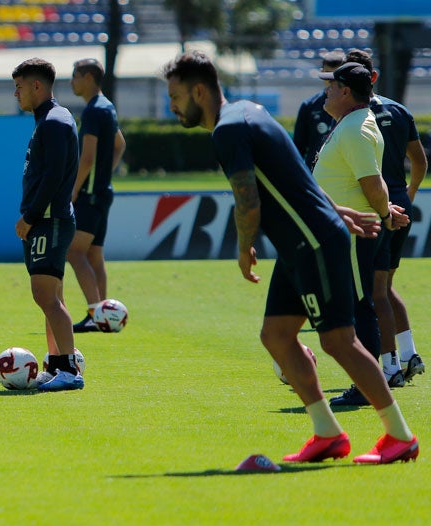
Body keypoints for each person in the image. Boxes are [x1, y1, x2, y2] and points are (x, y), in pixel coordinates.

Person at [164, 50, 418, 464]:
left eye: (175, 96)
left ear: (198, 91)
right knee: (276, 336)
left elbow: (248, 202)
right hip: (302, 241)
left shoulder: (227, 131)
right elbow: (298, 177)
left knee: (339, 340)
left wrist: (243, 246)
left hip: (311, 243)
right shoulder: (251, 111)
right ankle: (327, 433)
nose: (172, 106)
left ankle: (400, 436)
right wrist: (340, 213)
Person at [312, 62, 402, 405]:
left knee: (360, 306)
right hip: (351, 227)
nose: (326, 90)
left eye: (331, 85)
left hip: (354, 231)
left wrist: (384, 213)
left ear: (346, 91)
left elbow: (371, 182)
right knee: (356, 304)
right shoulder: (352, 124)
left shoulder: (354, 128)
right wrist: (387, 211)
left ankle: (368, 386)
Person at [345, 49, 427, 388]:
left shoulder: (355, 117)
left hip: (374, 208)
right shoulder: (399, 109)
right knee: (386, 287)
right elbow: (420, 162)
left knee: (373, 292)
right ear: (373, 76)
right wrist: (408, 195)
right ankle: (408, 355)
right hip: (399, 203)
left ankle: (390, 367)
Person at [12, 58, 83, 392]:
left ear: (36, 86)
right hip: (49, 219)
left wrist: (30, 217)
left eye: (19, 87)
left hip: (49, 220)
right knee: (51, 296)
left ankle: (69, 369)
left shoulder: (53, 121)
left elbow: (54, 176)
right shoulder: (51, 119)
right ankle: (56, 364)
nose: (16, 94)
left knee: (46, 296)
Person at [67, 58, 126, 333]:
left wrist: (75, 189)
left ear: (88, 77)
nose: (72, 81)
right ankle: (105, 316)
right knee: (94, 256)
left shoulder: (93, 111)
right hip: (103, 192)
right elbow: (119, 145)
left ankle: (94, 312)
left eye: (75, 76)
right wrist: (105, 175)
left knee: (74, 252)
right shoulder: (107, 107)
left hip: (90, 196)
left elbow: (88, 157)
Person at [293, 51, 345, 170]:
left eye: (336, 74)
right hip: (315, 175)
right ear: (322, 73)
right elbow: (297, 149)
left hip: (344, 175)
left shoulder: (353, 105)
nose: (332, 79)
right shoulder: (309, 106)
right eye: (328, 74)